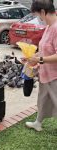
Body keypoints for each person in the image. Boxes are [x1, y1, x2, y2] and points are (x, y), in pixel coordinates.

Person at [24, 0, 57, 131]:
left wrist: (40, 59)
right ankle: (38, 123)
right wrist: (33, 57)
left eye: (38, 15)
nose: (38, 19)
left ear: (43, 12)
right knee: (42, 100)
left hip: (55, 76)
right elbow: (45, 49)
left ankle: (38, 122)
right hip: (45, 73)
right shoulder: (49, 26)